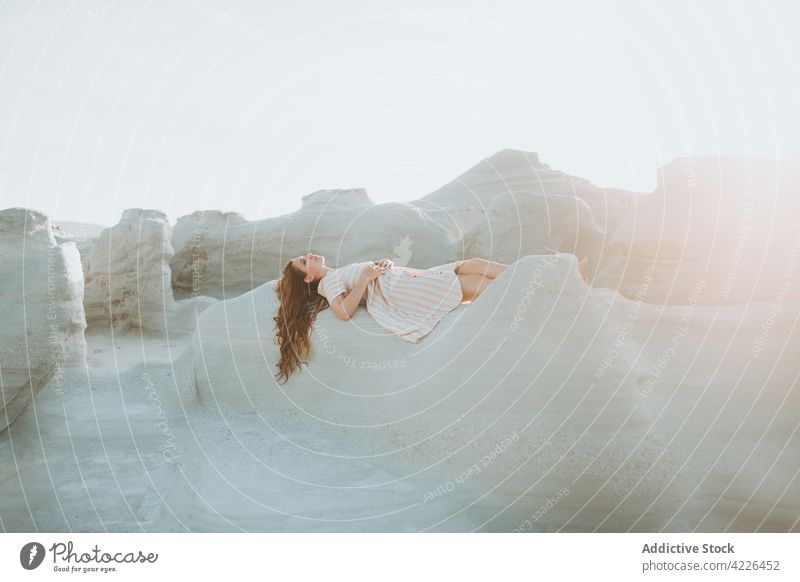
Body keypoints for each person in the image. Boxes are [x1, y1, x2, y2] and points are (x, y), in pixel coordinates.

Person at [273, 253, 589, 383]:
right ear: (307, 279)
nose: (310, 255)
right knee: (475, 285)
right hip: (406, 294)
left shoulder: (336, 272)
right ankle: (545, 290)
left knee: (475, 264)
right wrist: (367, 276)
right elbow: (343, 312)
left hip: (411, 280)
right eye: (304, 261)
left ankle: (541, 278)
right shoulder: (328, 282)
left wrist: (379, 267)